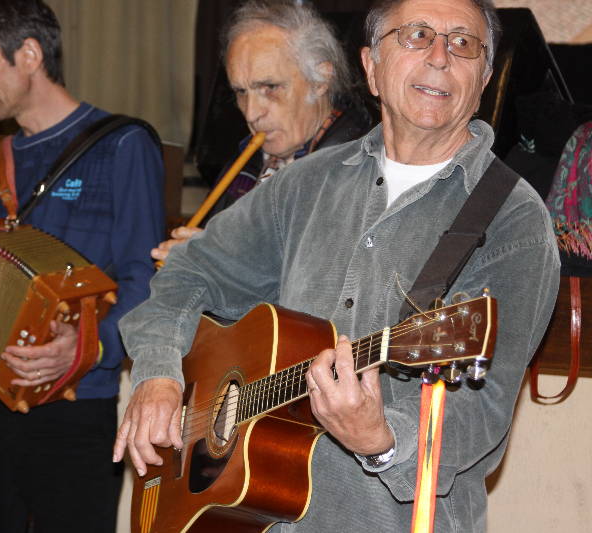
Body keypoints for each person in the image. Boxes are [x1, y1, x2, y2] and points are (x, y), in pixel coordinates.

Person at [114, 0, 560, 531]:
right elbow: (187, 273)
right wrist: (159, 375)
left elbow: (481, 418)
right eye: (417, 35)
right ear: (371, 66)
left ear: (483, 78)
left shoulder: (513, 220)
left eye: (463, 43)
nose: (441, 56)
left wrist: (381, 439)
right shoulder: (303, 185)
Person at [0, 1, 164, 532]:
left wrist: (85, 347)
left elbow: (145, 280)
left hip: (77, 406)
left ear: (30, 55)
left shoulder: (123, 145)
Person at [151, 0, 372, 261]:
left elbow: (332, 274)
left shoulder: (360, 168)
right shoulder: (247, 161)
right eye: (241, 91)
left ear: (321, 79)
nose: (251, 113)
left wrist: (223, 264)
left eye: (270, 87)